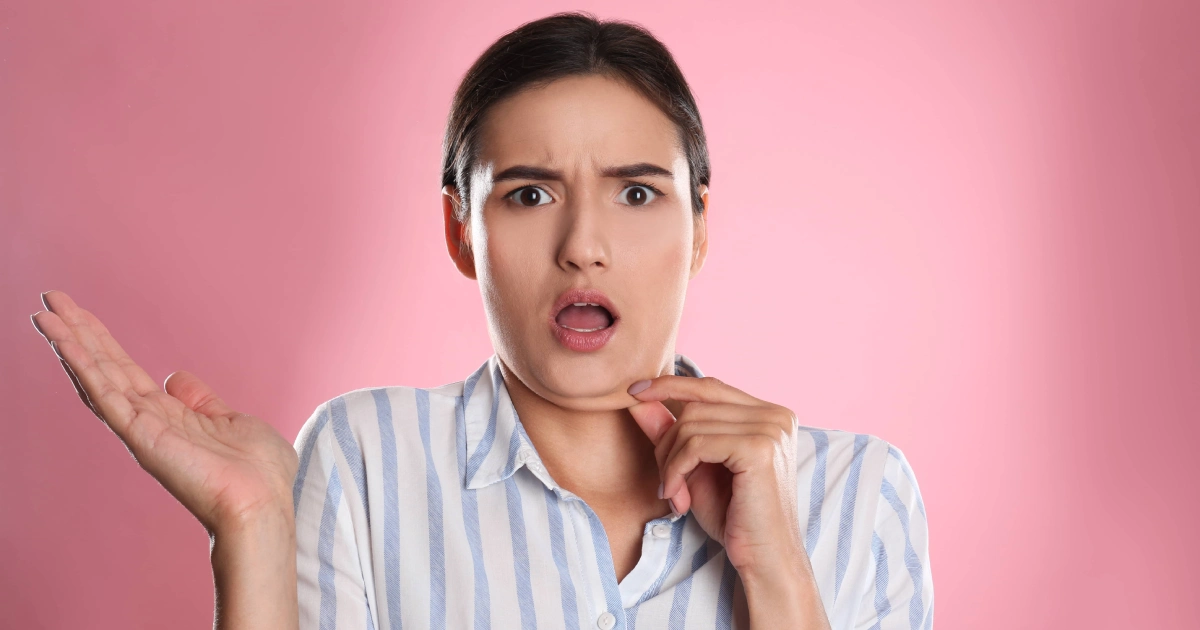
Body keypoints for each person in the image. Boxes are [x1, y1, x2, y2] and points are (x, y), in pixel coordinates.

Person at [29, 12, 933, 630]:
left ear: (700, 227)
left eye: (636, 192)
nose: (583, 247)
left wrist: (776, 572)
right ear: (462, 231)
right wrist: (252, 529)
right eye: (530, 194)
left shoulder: (860, 495)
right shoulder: (365, 460)